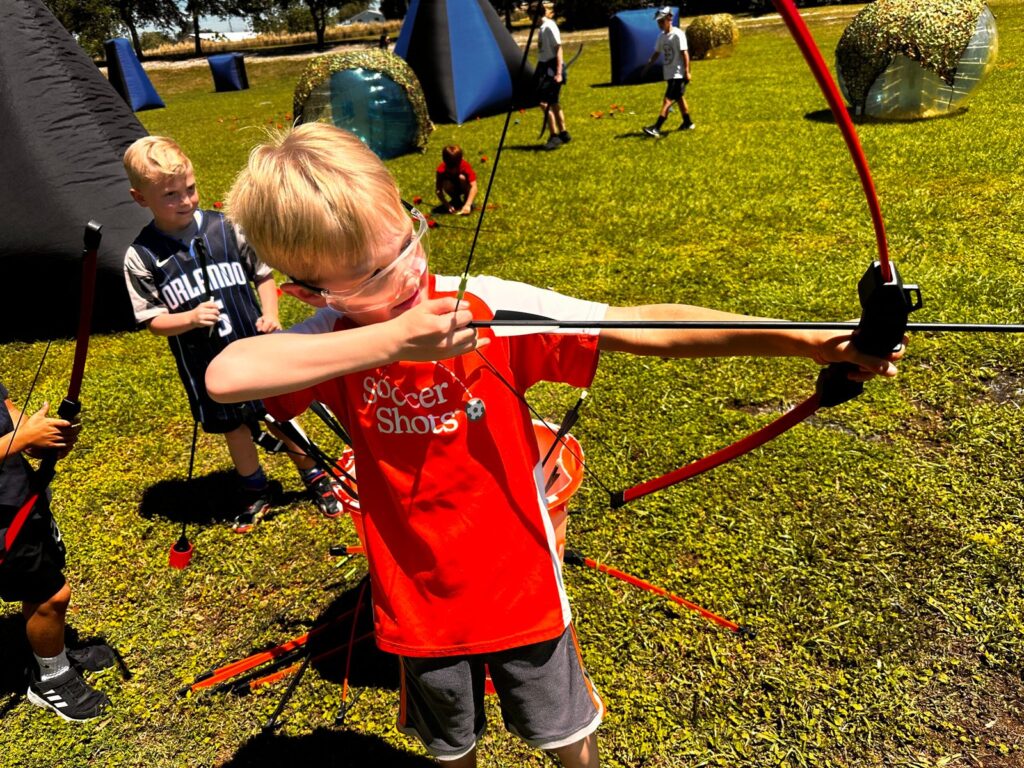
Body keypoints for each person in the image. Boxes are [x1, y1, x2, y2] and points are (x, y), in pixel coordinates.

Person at [206, 123, 904, 767]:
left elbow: (641, 326)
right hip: (415, 602)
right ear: (306, 291)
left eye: (411, 239)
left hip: (522, 585)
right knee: (451, 745)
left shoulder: (483, 308)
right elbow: (228, 373)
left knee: (565, 732)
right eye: (377, 275)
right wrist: (389, 339)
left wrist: (809, 340)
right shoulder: (331, 345)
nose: (413, 274)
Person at [122, 135, 346, 533]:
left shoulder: (226, 227)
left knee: (279, 411)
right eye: (170, 195)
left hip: (254, 347)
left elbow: (262, 274)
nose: (186, 200)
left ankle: (312, 471)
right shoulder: (141, 256)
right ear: (141, 199)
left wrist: (271, 314)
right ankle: (254, 487)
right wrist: (189, 318)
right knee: (233, 426)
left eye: (189, 188)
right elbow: (152, 320)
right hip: (204, 362)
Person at [0, 384, 115, 722]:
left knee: (43, 583)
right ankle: (51, 677)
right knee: (51, 595)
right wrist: (18, 442)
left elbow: (6, 411)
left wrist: (39, 436)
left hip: (17, 499)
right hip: (4, 523)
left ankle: (52, 651)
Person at [643, 6, 695, 138]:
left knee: (667, 100)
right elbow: (656, 53)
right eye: (658, 22)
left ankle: (656, 128)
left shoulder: (678, 34)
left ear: (669, 19)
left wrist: (687, 72)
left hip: (678, 74)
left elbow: (685, 53)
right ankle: (688, 123)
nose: (659, 24)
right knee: (679, 98)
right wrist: (648, 65)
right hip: (669, 73)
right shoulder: (662, 36)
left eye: (661, 21)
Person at [531, 2, 571, 151]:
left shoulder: (548, 27)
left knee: (544, 102)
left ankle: (554, 136)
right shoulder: (543, 27)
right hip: (544, 67)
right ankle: (564, 133)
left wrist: (559, 72)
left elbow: (558, 49)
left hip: (552, 68)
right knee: (553, 102)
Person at [435, 146, 478, 216]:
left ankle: (466, 199)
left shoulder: (465, 166)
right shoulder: (441, 170)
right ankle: (456, 200)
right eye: (449, 167)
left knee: (462, 177)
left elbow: (474, 187)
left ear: (460, 160)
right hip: (452, 188)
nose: (452, 170)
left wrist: (468, 204)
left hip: (464, 186)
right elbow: (438, 190)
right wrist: (446, 205)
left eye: (455, 167)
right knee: (446, 183)